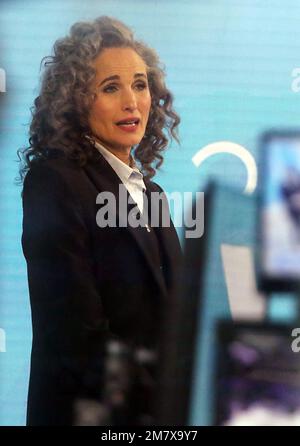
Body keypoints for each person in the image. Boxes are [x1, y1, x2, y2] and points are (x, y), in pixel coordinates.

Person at [19, 16, 182, 425]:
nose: (132, 102)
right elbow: (76, 337)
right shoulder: (55, 182)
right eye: (111, 87)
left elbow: (175, 314)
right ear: (76, 102)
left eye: (140, 85)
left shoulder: (153, 194)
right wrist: (171, 386)